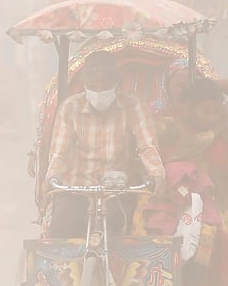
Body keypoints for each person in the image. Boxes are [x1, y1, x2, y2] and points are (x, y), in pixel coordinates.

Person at [147, 78, 228, 286]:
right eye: (206, 111)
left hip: (208, 202)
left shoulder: (219, 127)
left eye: (216, 111)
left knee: (206, 238)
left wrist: (206, 79)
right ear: (189, 107)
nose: (212, 117)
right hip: (168, 197)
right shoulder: (167, 127)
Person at [44, 51, 166, 238]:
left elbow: (147, 146)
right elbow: (60, 154)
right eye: (94, 86)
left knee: (120, 232)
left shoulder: (133, 106)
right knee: (60, 233)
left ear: (116, 83)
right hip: (77, 191)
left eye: (105, 85)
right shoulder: (70, 108)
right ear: (85, 85)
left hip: (117, 192)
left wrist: (157, 173)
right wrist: (52, 177)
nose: (99, 91)